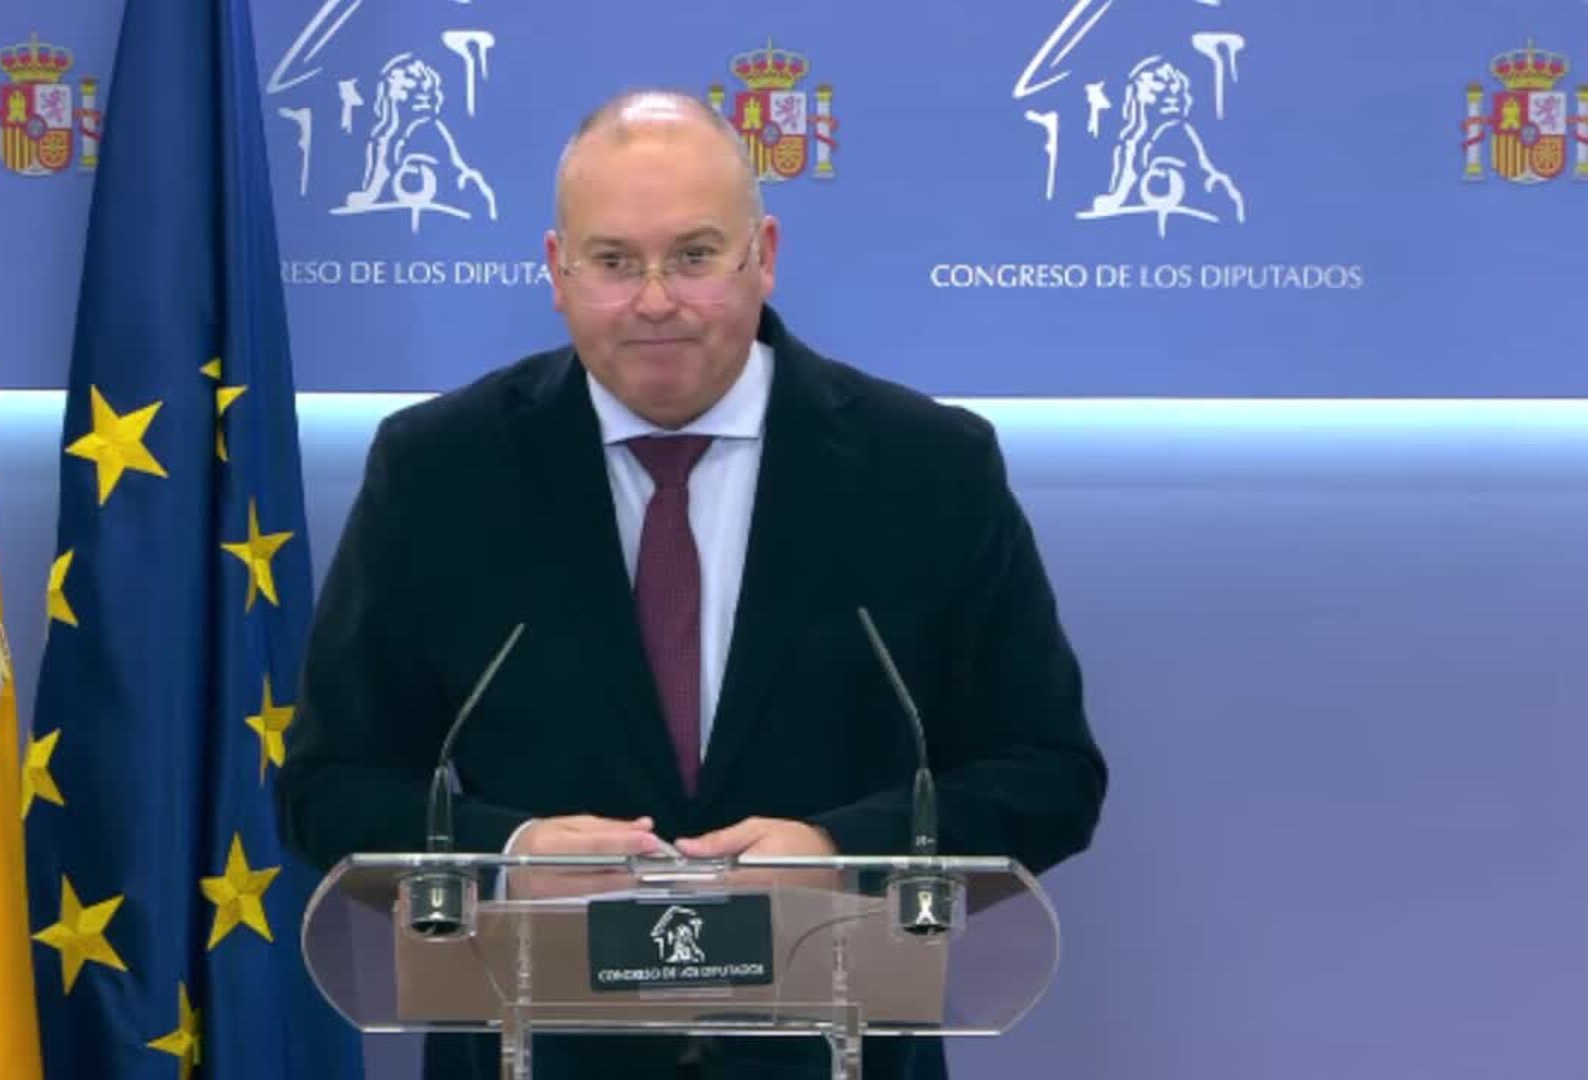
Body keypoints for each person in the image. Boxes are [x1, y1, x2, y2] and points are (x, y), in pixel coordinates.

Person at [277, 89, 1107, 1079]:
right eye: (615, 261)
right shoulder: (439, 472)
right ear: (557, 270)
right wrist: (510, 855)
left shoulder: (927, 469)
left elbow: (1049, 774)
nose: (655, 300)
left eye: (694, 255)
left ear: (765, 253)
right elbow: (330, 787)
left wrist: (841, 854)